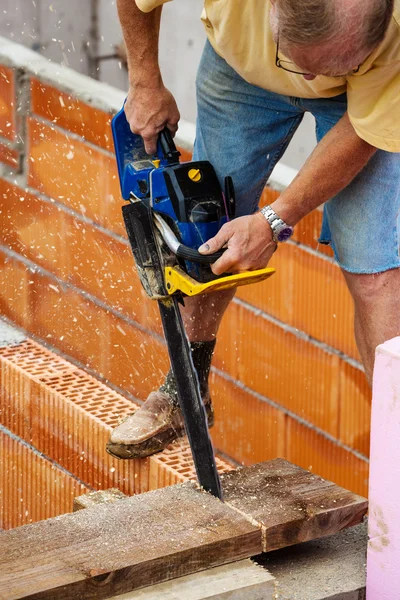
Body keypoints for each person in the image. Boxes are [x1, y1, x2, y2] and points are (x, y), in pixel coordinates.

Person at [106, 0, 400, 459]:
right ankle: (186, 387)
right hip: (242, 69)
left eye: (331, 66)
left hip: (362, 101)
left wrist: (275, 219)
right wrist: (144, 81)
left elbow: (366, 129)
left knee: (377, 272)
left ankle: (395, 457)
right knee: (203, 226)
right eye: (304, 67)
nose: (310, 83)